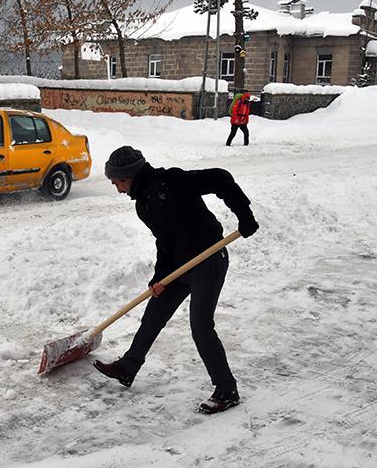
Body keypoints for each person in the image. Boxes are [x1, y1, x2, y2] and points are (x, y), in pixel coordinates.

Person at [93, 146, 258, 414]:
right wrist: (160, 278)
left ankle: (227, 390)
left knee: (201, 328)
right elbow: (165, 242)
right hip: (180, 266)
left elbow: (219, 178)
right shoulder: (142, 205)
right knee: (153, 315)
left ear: (129, 176)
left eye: (118, 182)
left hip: (208, 259)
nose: (118, 189)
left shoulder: (171, 181)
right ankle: (128, 367)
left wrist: (244, 214)